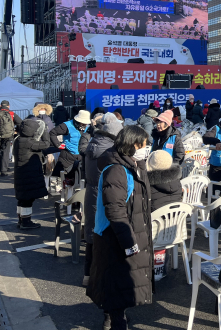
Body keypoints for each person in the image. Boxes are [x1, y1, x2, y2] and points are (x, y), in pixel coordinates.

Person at [87, 126, 153, 330]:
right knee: (116, 278)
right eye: (144, 145)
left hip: (127, 230)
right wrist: (129, 242)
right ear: (133, 145)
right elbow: (114, 209)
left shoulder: (133, 164)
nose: (146, 149)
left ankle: (115, 317)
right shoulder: (116, 169)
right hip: (115, 233)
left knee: (120, 279)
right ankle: (116, 321)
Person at [83, 113, 123, 286]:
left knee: (92, 235)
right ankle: (100, 277)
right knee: (105, 235)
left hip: (91, 193)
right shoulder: (110, 152)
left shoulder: (93, 142)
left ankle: (88, 275)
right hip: (103, 194)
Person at [13, 119, 58, 229]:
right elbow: (46, 144)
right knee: (28, 198)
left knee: (22, 198)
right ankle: (26, 222)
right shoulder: (29, 142)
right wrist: (45, 132)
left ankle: (21, 220)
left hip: (21, 173)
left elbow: (39, 149)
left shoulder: (19, 139)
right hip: (29, 174)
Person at [49, 110, 92, 179]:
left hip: (82, 156)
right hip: (67, 157)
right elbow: (52, 133)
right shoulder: (66, 125)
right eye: (83, 123)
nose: (85, 125)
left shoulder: (89, 128)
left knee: (78, 179)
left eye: (86, 123)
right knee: (59, 178)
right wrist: (58, 145)